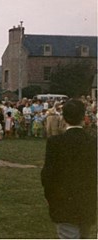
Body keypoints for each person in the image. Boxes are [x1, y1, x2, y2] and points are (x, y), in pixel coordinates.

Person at [41, 99, 97, 239]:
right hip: (86, 200)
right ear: (83, 117)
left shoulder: (55, 143)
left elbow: (48, 174)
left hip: (63, 201)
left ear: (63, 118)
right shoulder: (92, 142)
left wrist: (50, 196)